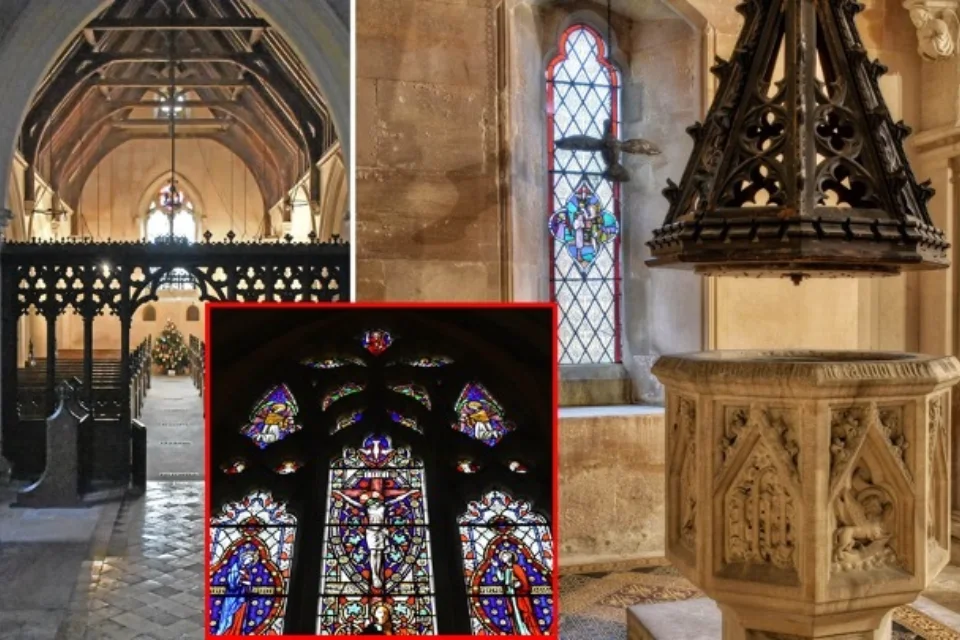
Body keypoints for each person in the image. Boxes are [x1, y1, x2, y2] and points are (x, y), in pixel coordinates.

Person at [497, 550, 542, 635]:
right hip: (510, 594)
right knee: (514, 614)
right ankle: (518, 632)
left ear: (510, 557)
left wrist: (518, 584)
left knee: (523, 613)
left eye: (505, 556)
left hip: (519, 595)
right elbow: (502, 579)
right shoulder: (505, 569)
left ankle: (527, 631)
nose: (504, 558)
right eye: (503, 557)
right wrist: (497, 569)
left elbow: (524, 581)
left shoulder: (517, 567)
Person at [214, 549, 258, 635]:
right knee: (227, 615)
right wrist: (239, 581)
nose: (248, 561)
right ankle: (224, 632)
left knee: (239, 616)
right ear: (243, 558)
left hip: (242, 597)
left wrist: (248, 583)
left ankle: (236, 633)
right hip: (232, 595)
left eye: (250, 560)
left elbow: (249, 583)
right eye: (247, 559)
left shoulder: (247, 571)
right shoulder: (235, 567)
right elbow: (231, 582)